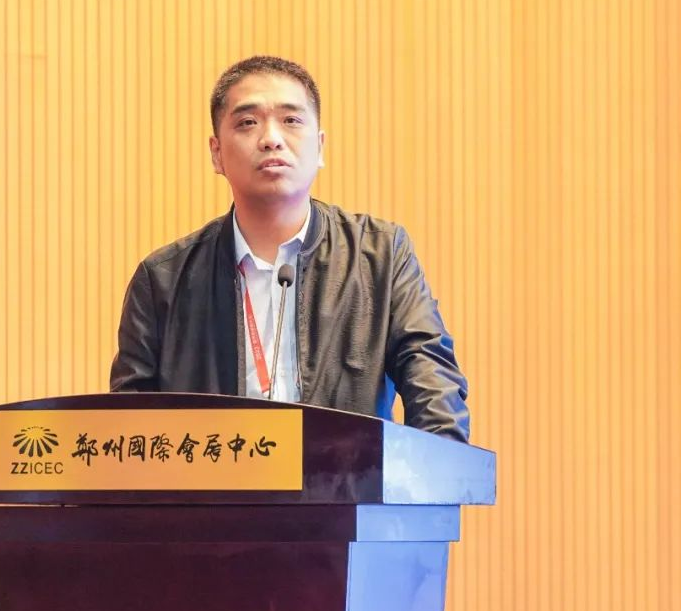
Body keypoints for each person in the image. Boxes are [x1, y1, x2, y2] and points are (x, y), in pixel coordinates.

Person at [109, 55, 471, 442]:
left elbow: (433, 381)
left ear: (320, 147)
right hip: (215, 480)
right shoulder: (163, 280)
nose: (271, 138)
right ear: (217, 153)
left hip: (346, 478)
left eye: (291, 120)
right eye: (247, 122)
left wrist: (437, 468)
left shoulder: (381, 255)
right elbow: (130, 431)